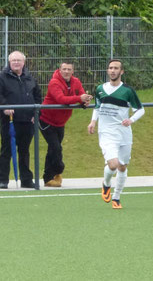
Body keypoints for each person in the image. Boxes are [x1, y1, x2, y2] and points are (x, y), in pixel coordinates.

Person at [88, 59, 144, 209]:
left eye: (116, 68)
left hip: (124, 133)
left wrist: (131, 120)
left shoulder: (127, 91)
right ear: (107, 70)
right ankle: (106, 184)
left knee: (123, 167)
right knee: (113, 164)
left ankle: (117, 197)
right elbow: (98, 107)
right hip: (106, 132)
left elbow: (140, 109)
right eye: (110, 68)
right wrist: (93, 122)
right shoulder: (100, 88)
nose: (113, 70)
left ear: (121, 72)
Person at [39, 62, 92, 187]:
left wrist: (85, 101)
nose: (66, 71)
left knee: (52, 149)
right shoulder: (54, 82)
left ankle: (49, 178)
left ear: (73, 71)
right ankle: (59, 169)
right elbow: (61, 99)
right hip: (46, 120)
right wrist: (80, 99)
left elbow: (81, 95)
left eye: (69, 69)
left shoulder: (76, 82)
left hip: (61, 122)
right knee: (56, 148)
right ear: (60, 70)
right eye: (64, 69)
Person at [0, 50, 42, 189]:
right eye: (13, 60)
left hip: (27, 121)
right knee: (6, 150)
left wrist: (36, 114)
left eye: (19, 60)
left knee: (24, 151)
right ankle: (3, 180)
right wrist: (5, 107)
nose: (16, 63)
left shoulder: (30, 78)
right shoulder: (1, 78)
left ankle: (26, 179)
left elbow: (38, 97)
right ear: (9, 62)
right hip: (9, 120)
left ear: (24, 62)